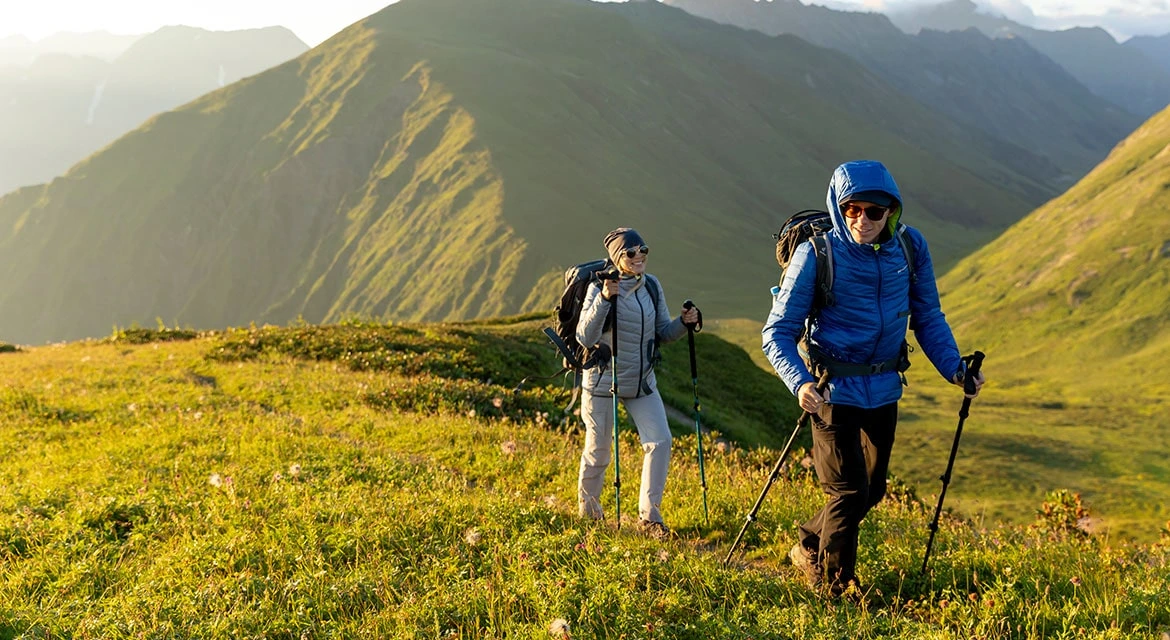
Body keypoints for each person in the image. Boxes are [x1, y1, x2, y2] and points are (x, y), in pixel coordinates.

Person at [762, 160, 985, 596]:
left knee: (873, 489)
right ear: (837, 207)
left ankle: (809, 543)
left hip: (883, 387)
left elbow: (928, 317)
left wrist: (955, 369)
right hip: (831, 388)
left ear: (892, 212)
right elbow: (777, 331)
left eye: (874, 211)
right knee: (847, 491)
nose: (862, 219)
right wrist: (801, 381)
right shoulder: (817, 254)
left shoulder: (910, 248)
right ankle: (835, 587)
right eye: (851, 209)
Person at [576, 227, 701, 538]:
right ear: (618, 258)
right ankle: (589, 516)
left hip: (642, 380)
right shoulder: (599, 286)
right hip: (603, 380)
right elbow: (585, 336)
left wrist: (684, 324)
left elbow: (663, 332)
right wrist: (605, 298)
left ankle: (649, 519)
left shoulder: (652, 286)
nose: (639, 257)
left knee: (660, 441)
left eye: (643, 250)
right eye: (631, 253)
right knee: (599, 450)